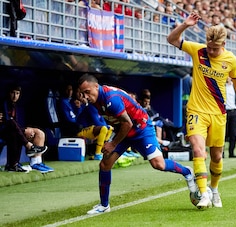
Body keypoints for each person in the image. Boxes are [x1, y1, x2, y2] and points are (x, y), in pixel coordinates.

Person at [167, 12, 236, 209]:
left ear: (223, 45)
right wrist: (185, 25)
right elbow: (172, 39)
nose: (212, 51)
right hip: (196, 110)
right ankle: (203, 193)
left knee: (217, 156)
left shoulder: (230, 60)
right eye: (210, 47)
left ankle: (214, 189)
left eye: (216, 49)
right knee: (199, 151)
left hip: (218, 113)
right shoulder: (198, 50)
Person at [77, 74, 196, 214]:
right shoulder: (95, 99)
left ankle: (187, 172)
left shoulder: (111, 99)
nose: (85, 96)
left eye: (87, 92)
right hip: (123, 131)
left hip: (141, 129)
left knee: (158, 164)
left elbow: (128, 123)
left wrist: (113, 144)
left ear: (96, 87)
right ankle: (104, 205)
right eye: (82, 93)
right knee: (105, 164)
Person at [0, 84, 52, 173]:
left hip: (11, 130)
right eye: (12, 93)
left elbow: (14, 124)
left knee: (39, 133)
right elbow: (8, 122)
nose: (15, 96)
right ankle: (16, 160)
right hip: (3, 131)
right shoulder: (4, 103)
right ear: (9, 93)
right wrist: (22, 131)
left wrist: (24, 130)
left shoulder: (14, 105)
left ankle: (36, 163)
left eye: (17, 93)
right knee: (15, 130)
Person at [74, 91, 114, 160]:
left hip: (91, 130)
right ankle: (97, 154)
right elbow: (97, 122)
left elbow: (102, 120)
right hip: (82, 130)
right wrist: (106, 127)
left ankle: (103, 151)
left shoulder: (99, 108)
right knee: (104, 128)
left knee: (110, 128)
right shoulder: (91, 107)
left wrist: (107, 127)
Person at [225, 77, 236, 158]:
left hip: (234, 112)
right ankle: (221, 153)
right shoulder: (221, 87)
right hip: (224, 112)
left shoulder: (235, 87)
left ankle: (231, 152)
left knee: (233, 134)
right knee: (223, 134)